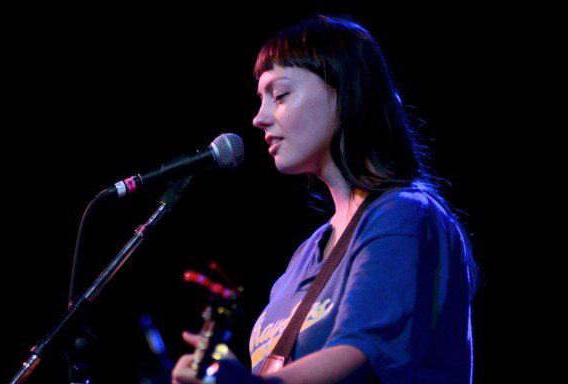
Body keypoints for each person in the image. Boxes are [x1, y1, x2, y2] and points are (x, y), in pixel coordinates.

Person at [172, 14, 477, 384]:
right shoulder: (301, 260)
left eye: (280, 95)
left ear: (345, 91)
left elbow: (360, 356)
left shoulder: (403, 215)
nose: (258, 118)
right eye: (260, 98)